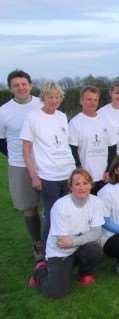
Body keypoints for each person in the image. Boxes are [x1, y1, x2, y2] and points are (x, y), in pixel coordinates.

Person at [28, 169, 104, 299]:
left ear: (91, 185)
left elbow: (97, 232)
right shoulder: (61, 206)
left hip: (77, 246)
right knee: (56, 293)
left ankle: (83, 273)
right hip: (59, 253)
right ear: (70, 187)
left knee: (95, 249)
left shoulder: (96, 202)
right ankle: (39, 272)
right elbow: (62, 243)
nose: (82, 187)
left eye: (85, 183)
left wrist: (74, 241)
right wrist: (85, 237)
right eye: (77, 184)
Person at [21, 81, 76, 256]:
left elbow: (64, 144)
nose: (54, 100)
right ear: (43, 97)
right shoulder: (33, 117)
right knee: (52, 216)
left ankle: (66, 250)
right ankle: (46, 254)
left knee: (68, 214)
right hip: (48, 175)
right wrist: (34, 176)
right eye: (50, 96)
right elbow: (26, 149)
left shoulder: (61, 116)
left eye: (57, 97)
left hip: (67, 173)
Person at [0, 70, 43, 260]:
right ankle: (38, 244)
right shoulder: (3, 112)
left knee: (53, 205)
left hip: (46, 162)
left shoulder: (41, 104)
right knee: (29, 207)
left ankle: (55, 241)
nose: (21, 88)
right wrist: (21, 157)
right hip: (19, 165)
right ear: (10, 88)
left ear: (30, 85)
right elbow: (1, 141)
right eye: (16, 85)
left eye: (24, 84)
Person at [68, 86, 117, 194]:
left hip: (104, 177)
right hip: (85, 179)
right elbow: (72, 151)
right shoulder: (75, 123)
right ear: (81, 101)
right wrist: (80, 173)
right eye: (89, 99)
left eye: (95, 100)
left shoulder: (106, 121)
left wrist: (109, 171)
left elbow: (112, 148)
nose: (92, 103)